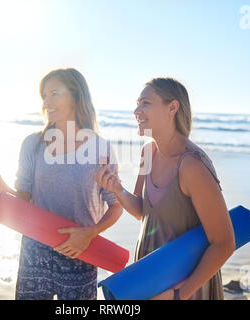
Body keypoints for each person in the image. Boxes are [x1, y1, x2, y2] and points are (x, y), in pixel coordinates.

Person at [0, 68, 123, 300]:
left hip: (81, 254)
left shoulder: (99, 148)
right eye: (44, 95)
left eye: (54, 93)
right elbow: (23, 201)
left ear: (76, 96)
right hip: (34, 253)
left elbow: (116, 205)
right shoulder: (33, 144)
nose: (46, 102)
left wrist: (90, 233)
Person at [95, 77, 235, 300]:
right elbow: (145, 213)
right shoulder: (148, 153)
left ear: (172, 107)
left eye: (145, 103)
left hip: (186, 286)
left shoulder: (192, 166)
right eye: (137, 103)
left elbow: (224, 242)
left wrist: (179, 294)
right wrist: (117, 190)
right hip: (151, 275)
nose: (136, 110)